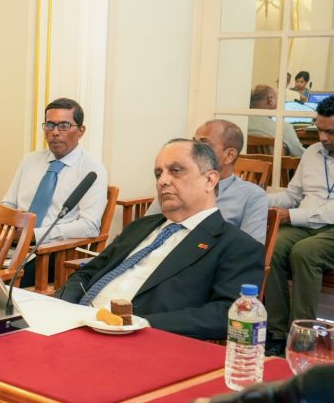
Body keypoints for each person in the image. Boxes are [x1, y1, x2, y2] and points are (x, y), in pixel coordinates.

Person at [58, 139, 264, 340]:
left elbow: (227, 314)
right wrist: (61, 306)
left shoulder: (237, 246)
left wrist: (143, 323)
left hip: (136, 339)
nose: (162, 181)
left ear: (210, 180)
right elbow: (87, 273)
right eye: (158, 173)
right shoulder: (140, 227)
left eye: (176, 170)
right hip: (74, 324)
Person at [265, 93, 334, 355]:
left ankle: (302, 339)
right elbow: (292, 196)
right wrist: (259, 199)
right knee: (273, 246)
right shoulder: (312, 152)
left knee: (305, 252)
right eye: (319, 130)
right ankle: (277, 333)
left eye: (330, 132)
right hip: (306, 225)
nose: (322, 137)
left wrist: (293, 216)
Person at [1, 98, 108, 243]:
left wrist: (35, 235)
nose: (55, 132)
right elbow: (8, 205)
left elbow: (89, 226)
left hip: (51, 248)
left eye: (64, 125)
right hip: (11, 241)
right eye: (50, 125)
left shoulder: (92, 170)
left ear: (81, 131)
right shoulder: (30, 160)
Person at [145, 120, 268, 244]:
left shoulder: (252, 196)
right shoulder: (175, 183)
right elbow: (146, 228)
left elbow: (250, 249)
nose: (194, 150)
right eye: (193, 142)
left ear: (229, 155)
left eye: (204, 145)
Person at [248, 85, 305, 157]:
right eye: (277, 96)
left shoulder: (241, 123)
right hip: (277, 164)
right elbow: (300, 155)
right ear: (270, 99)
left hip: (245, 164)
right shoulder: (284, 128)